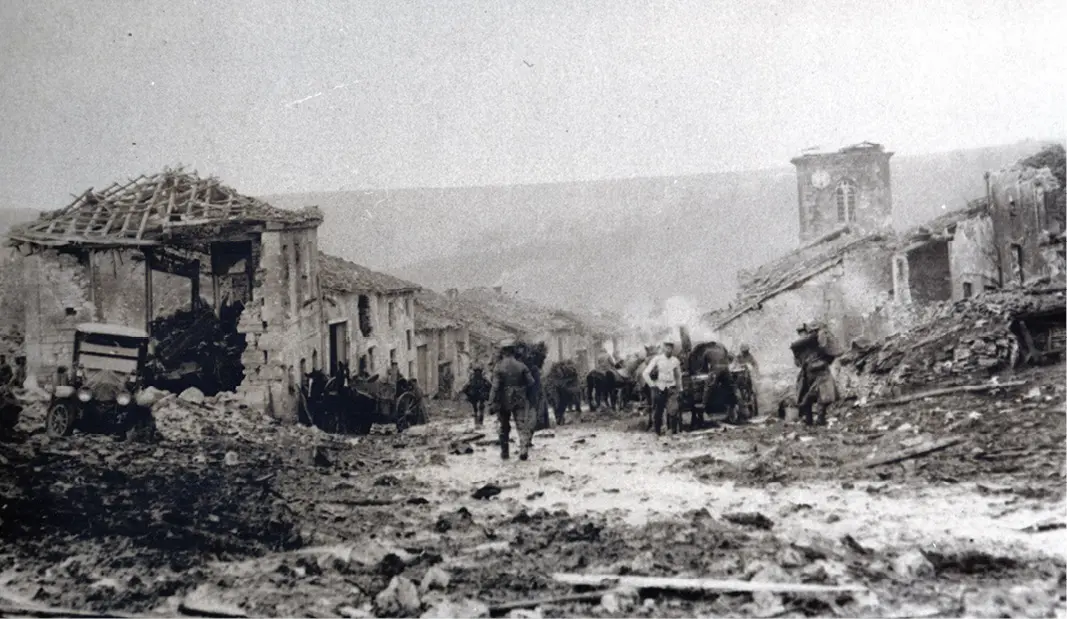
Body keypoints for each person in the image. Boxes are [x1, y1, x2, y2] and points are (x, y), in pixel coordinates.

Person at [488, 339, 536, 460]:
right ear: (513, 351)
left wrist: (491, 402)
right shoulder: (521, 365)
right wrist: (523, 390)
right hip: (520, 397)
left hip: (503, 400)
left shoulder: (498, 367)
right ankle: (523, 449)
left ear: (503, 352)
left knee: (504, 426)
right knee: (521, 425)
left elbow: (495, 387)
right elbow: (531, 382)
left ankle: (505, 453)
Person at [790, 323, 838, 426]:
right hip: (819, 370)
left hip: (810, 372)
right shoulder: (815, 339)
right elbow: (828, 351)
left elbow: (797, 363)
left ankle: (810, 419)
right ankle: (818, 418)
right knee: (821, 394)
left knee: (812, 394)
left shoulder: (798, 345)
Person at [641, 342, 682, 435]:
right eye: (667, 348)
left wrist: (680, 388)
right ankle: (657, 432)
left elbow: (678, 376)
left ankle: (673, 432)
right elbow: (645, 373)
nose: (669, 350)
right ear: (663, 348)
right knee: (658, 412)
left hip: (671, 387)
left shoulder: (675, 361)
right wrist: (652, 385)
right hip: (659, 388)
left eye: (671, 348)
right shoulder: (657, 359)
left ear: (673, 349)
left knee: (673, 410)